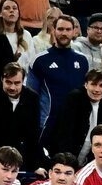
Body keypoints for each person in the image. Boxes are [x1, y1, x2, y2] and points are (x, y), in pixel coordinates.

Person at [26, 15, 89, 145]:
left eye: (68, 29)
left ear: (74, 32)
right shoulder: (40, 60)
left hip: (74, 124)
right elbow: (29, 97)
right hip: (47, 124)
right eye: (60, 29)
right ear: (53, 30)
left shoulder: (82, 61)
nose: (64, 33)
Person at [0, 62, 44, 171]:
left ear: (23, 81)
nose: (12, 87)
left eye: (17, 83)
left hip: (20, 158)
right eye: (8, 82)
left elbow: (33, 136)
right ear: (2, 79)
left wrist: (35, 166)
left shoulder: (32, 98)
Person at [48, 69, 102, 163]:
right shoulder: (74, 98)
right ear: (86, 85)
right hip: (67, 156)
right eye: (93, 84)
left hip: (94, 158)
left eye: (101, 86)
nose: (97, 89)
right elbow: (64, 134)